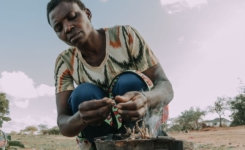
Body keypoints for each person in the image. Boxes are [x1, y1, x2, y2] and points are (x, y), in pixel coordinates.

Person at [47, 0, 174, 149]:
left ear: (87, 14)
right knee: (82, 94)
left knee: (129, 82)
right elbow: (63, 123)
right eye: (58, 27)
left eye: (73, 16)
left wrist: (145, 100)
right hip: (98, 132)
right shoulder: (65, 61)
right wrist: (81, 117)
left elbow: (166, 87)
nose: (67, 28)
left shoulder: (125, 36)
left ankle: (143, 140)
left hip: (140, 123)